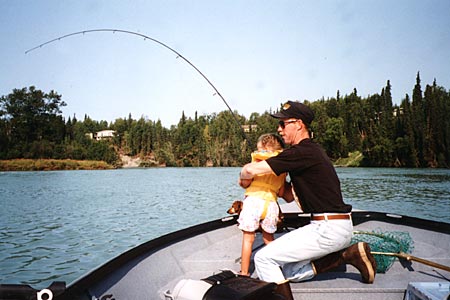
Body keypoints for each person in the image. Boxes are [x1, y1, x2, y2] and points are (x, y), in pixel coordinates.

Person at [239, 101, 376, 299]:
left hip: (327, 228)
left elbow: (250, 170)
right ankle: (347, 255)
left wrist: (245, 173)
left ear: (299, 124)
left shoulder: (301, 152)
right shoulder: (309, 152)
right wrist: (273, 183)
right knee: (288, 273)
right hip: (333, 225)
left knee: (263, 259)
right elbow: (288, 196)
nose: (279, 130)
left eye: (283, 124)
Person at [237, 133, 287, 277]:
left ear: (263, 149)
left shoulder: (255, 165)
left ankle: (244, 273)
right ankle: (279, 268)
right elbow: (282, 191)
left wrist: (242, 179)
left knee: (248, 238)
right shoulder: (282, 169)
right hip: (271, 205)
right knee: (268, 238)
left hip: (253, 201)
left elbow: (245, 183)